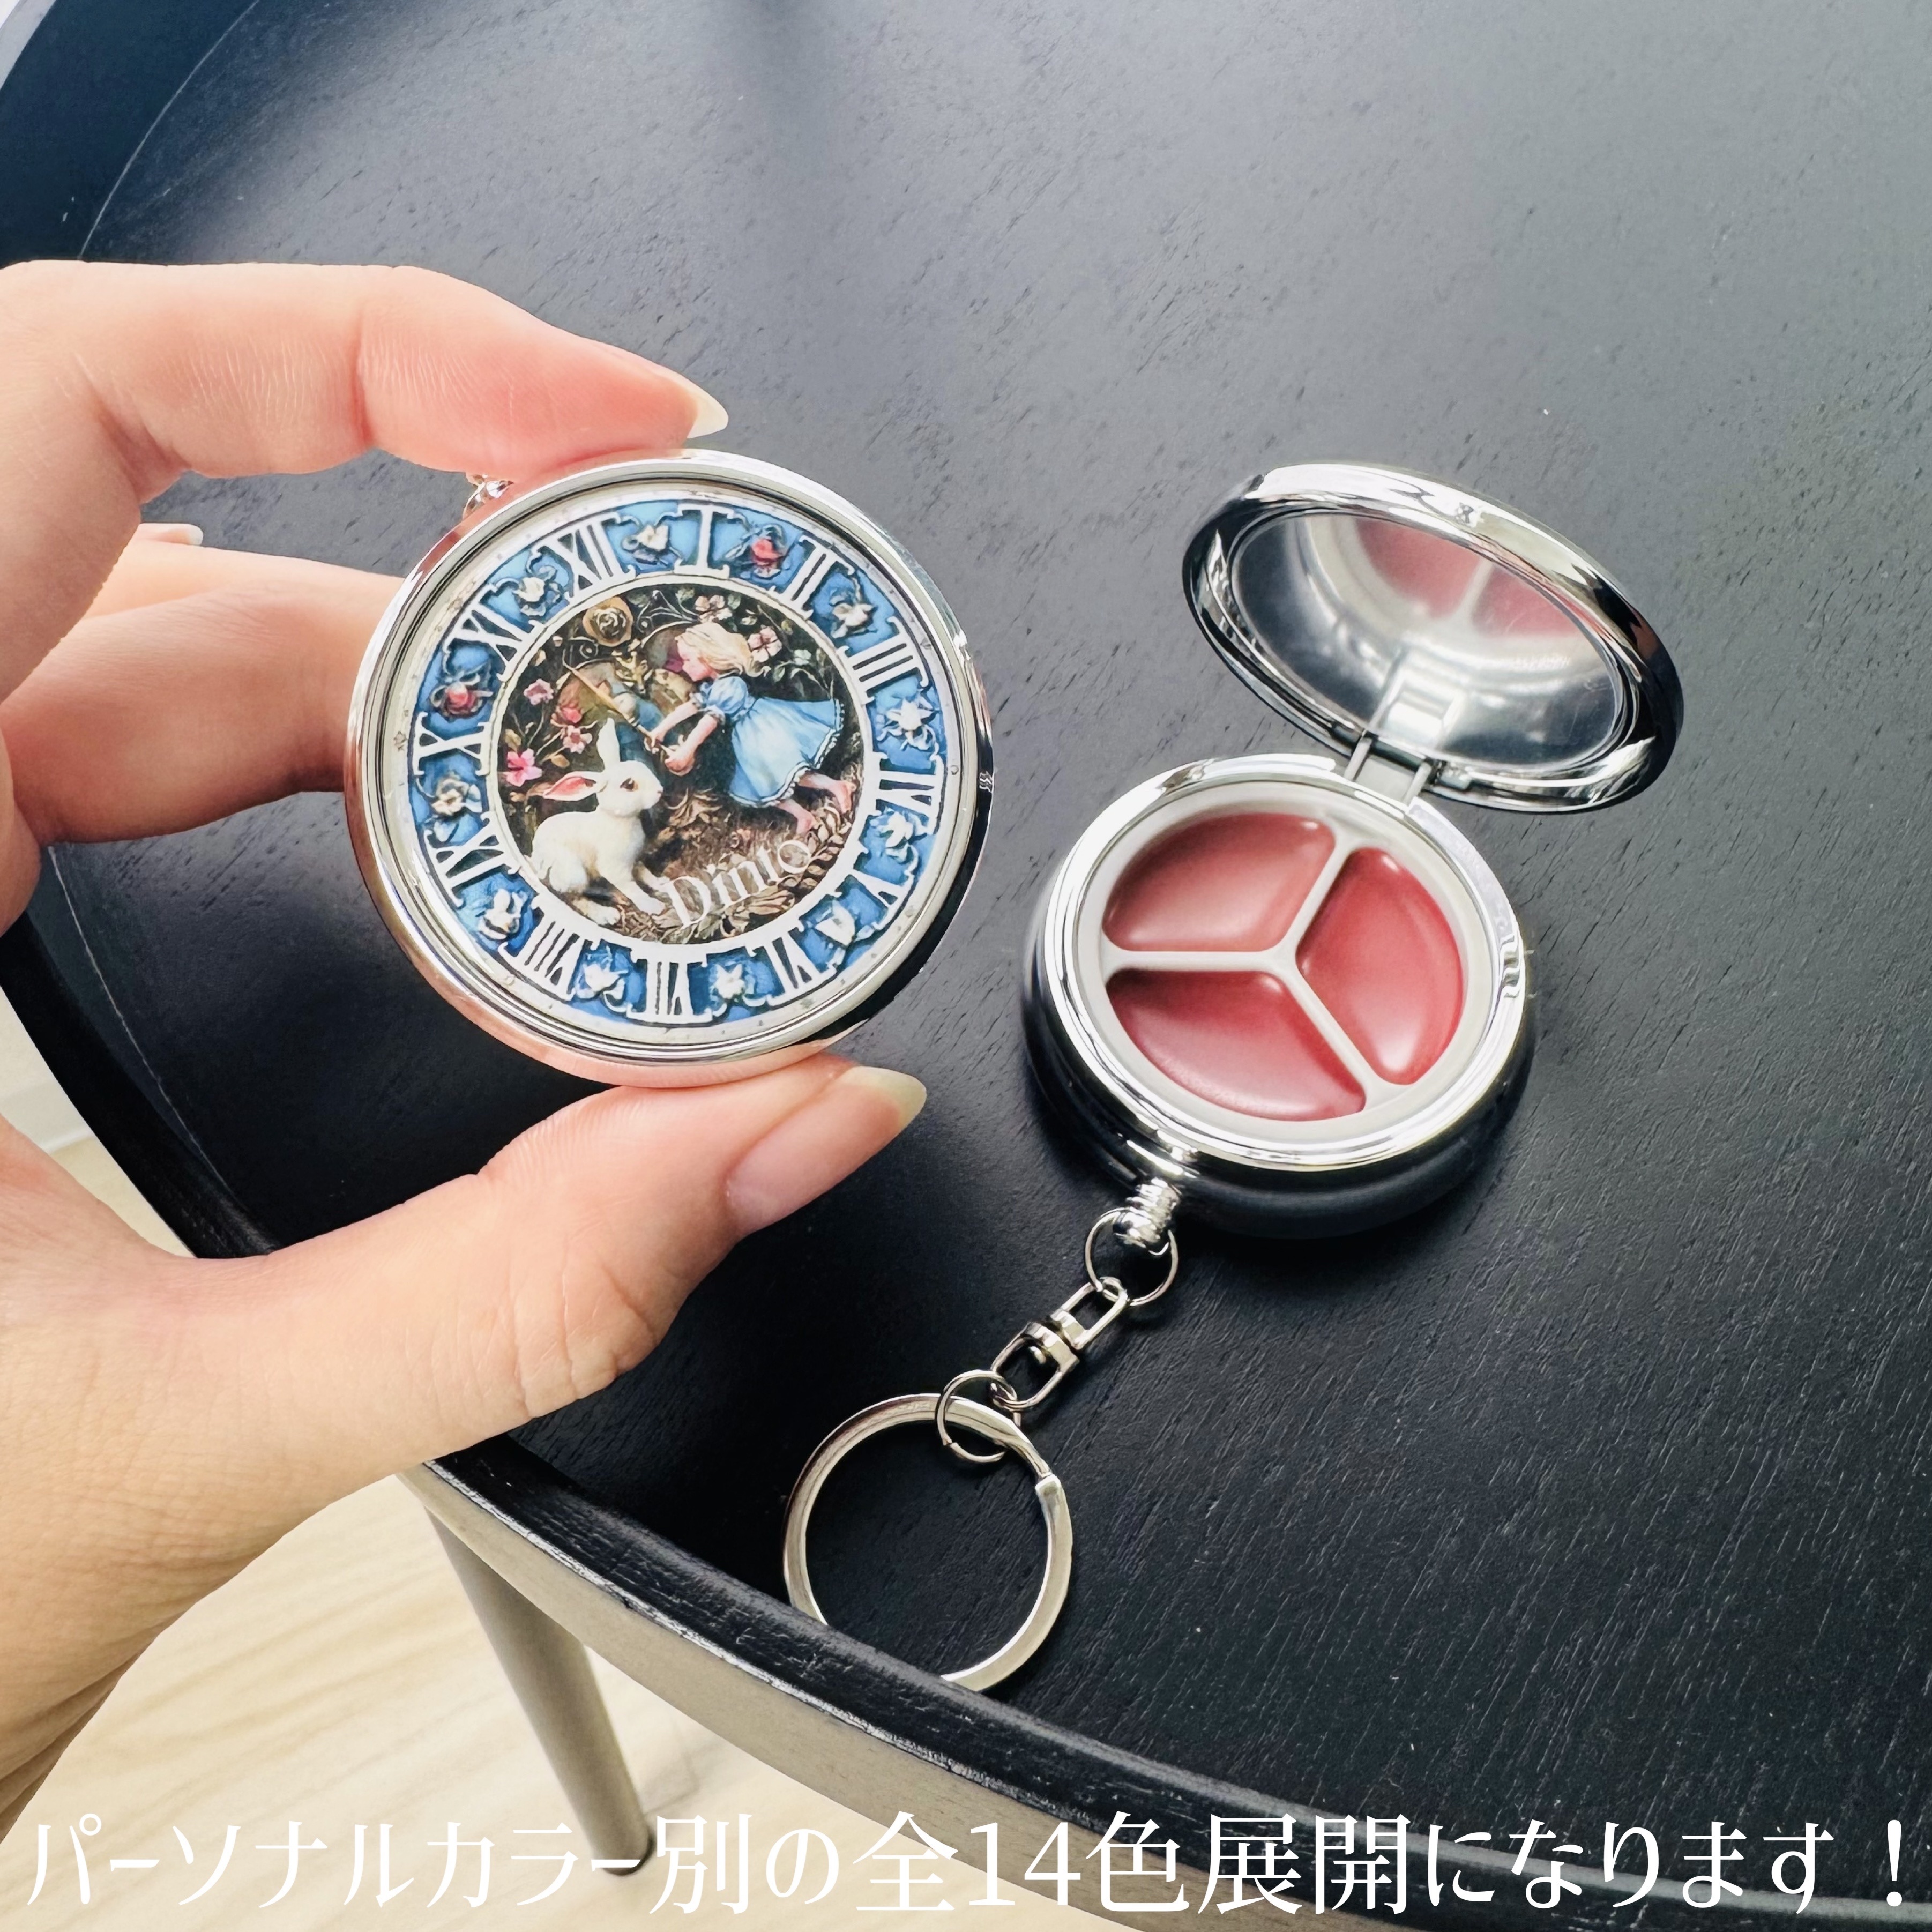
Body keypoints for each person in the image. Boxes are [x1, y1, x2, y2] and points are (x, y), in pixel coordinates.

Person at [0, 261, 927, 1837]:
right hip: (636, 869)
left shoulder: (715, 712)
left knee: (741, 795)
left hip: (729, 821)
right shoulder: (622, 754)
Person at [650, 617, 854, 831]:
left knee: (788, 771)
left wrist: (686, 751)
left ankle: (836, 786)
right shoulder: (712, 688)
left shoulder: (730, 685)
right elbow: (691, 707)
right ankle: (803, 816)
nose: (684, 667)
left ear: (708, 656)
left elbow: (709, 721)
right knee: (761, 785)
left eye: (688, 660)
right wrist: (661, 730)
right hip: (745, 741)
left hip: (762, 729)